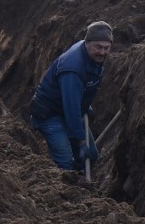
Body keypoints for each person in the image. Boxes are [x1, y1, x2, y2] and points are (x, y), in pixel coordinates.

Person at [29, 21, 111, 171]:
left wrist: (85, 104)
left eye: (106, 48)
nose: (102, 52)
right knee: (66, 164)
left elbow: (78, 92)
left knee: (91, 155)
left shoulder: (89, 54)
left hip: (68, 109)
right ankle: (65, 188)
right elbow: (71, 107)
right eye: (98, 47)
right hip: (50, 114)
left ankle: (80, 183)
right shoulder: (72, 69)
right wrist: (79, 141)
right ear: (87, 43)